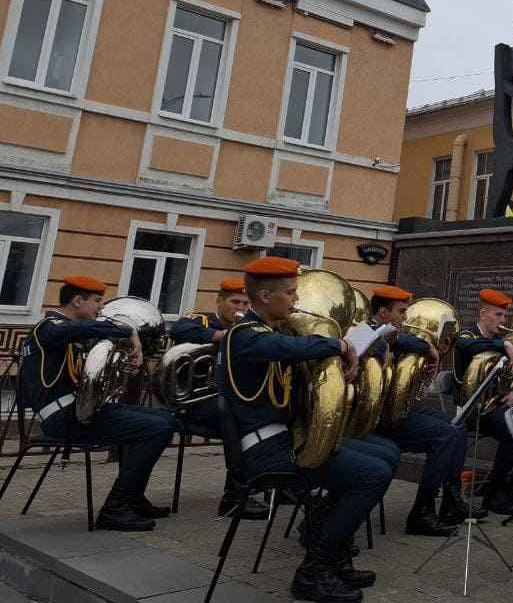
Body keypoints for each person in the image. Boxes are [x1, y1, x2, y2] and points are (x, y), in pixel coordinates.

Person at [216, 256, 391, 603]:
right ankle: (314, 571)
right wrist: (338, 345)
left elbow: (295, 388)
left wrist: (340, 373)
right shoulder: (245, 336)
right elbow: (286, 349)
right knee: (370, 476)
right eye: (290, 294)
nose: (296, 301)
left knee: (380, 459)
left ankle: (327, 546)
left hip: (283, 440)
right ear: (265, 297)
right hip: (264, 451)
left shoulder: (271, 332)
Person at [19, 276, 179, 530]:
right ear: (77, 300)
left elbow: (86, 375)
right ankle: (116, 509)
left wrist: (121, 366)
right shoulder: (49, 327)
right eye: (96, 301)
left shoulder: (67, 332)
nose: (100, 309)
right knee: (154, 429)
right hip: (62, 418)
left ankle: (132, 498)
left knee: (166, 420)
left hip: (76, 411)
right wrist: (128, 330)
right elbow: (80, 330)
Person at [367, 285, 476, 535]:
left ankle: (450, 501)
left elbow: (402, 340)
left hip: (394, 411)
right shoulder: (366, 333)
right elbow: (390, 340)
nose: (406, 318)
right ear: (383, 312)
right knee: (445, 435)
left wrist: (425, 354)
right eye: (401, 311)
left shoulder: (391, 335)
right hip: (376, 420)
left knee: (457, 426)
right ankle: (422, 514)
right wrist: (426, 348)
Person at [169, 278, 268, 520]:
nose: (241, 308)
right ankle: (235, 496)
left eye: (245, 303)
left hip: (227, 400)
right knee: (235, 416)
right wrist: (217, 335)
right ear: (219, 301)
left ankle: (276, 483)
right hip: (193, 402)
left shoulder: (250, 329)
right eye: (235, 302)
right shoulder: (200, 320)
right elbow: (178, 330)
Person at [453, 288, 513, 515]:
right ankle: (494, 493)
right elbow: (466, 347)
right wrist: (502, 345)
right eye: (498, 315)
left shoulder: (500, 341)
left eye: (505, 316)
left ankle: (509, 488)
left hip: (494, 408)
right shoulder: (468, 335)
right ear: (483, 313)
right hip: (471, 410)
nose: (503, 320)